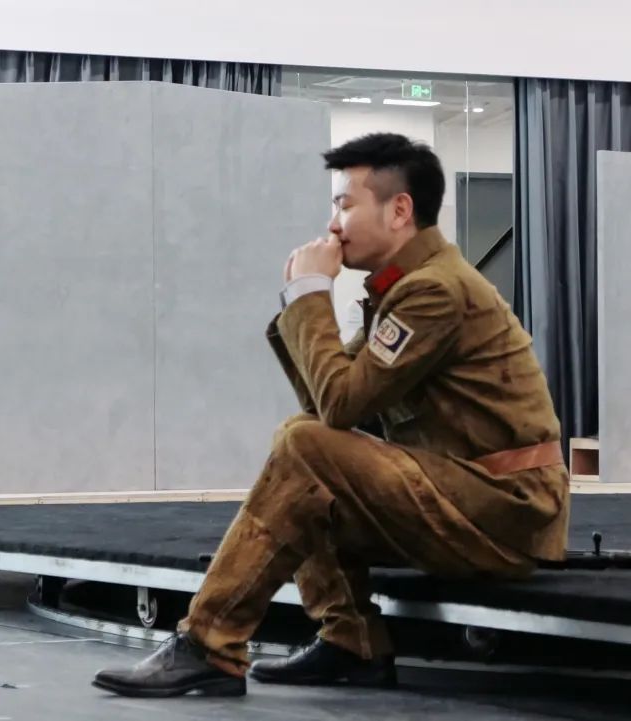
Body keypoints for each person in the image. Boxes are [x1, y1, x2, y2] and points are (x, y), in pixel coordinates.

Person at [92, 132, 569, 697]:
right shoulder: (408, 285)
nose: (333, 223)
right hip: (466, 496)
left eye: (344, 204)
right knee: (303, 440)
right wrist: (304, 301)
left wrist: (310, 294)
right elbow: (329, 407)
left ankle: (208, 643)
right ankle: (351, 643)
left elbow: (339, 406)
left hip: (505, 509)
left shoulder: (436, 291)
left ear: (399, 210)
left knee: (306, 446)